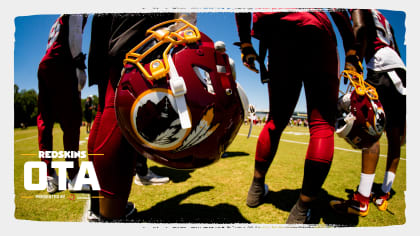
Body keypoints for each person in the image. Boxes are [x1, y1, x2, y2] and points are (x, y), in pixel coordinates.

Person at [235, 10, 359, 223]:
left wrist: (246, 43)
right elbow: (339, 10)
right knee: (321, 126)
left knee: (275, 121)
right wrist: (351, 52)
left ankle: (256, 189)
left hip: (278, 33)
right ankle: (301, 209)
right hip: (315, 28)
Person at [87, 13, 196, 221]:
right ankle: (110, 216)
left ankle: (99, 205)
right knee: (124, 110)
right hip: (137, 21)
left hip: (108, 22)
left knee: (104, 110)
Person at [330, 9, 406, 217]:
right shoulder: (386, 20)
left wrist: (354, 57)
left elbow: (360, 26)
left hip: (379, 65)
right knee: (394, 135)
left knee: (370, 130)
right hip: (401, 70)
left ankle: (361, 200)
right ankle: (384, 194)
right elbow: (396, 48)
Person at [37, 14, 90, 194]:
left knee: (45, 122)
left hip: (46, 65)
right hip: (62, 64)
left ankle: (49, 175)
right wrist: (79, 65)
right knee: (72, 122)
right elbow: (75, 34)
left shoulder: (57, 20)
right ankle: (75, 176)